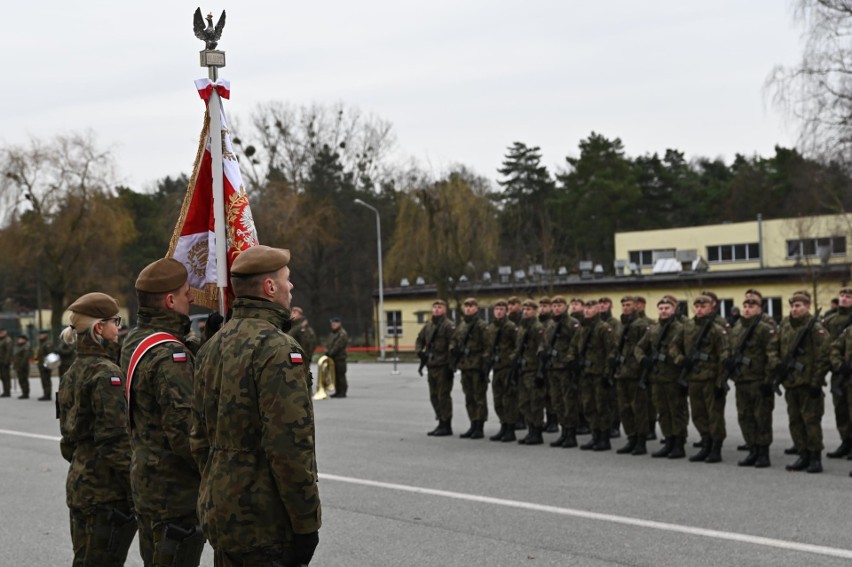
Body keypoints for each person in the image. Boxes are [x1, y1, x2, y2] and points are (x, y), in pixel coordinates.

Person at [191, 245, 321, 566]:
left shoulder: (211, 346)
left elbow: (197, 438)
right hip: (264, 520)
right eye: (286, 280)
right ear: (270, 287)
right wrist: (306, 523)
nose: (291, 287)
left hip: (221, 509)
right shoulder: (276, 348)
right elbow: (289, 447)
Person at [120, 258, 205, 566]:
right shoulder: (171, 357)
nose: (192, 298)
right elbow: (186, 437)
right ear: (170, 301)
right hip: (175, 495)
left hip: (147, 484)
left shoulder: (136, 339)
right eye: (186, 293)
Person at [57, 292, 136, 566]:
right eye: (115, 321)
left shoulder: (72, 372)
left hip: (79, 483)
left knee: (84, 559)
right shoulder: (107, 374)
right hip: (106, 491)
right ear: (99, 328)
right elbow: (114, 442)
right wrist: (134, 487)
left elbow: (67, 442)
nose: (120, 326)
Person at [771, 291, 830, 473]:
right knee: (795, 421)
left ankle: (815, 458)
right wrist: (777, 365)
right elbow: (772, 347)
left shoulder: (816, 328)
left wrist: (816, 381)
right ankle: (803, 454)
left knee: (811, 421)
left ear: (808, 307)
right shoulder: (785, 326)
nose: (794, 309)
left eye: (798, 306)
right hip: (791, 383)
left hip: (808, 384)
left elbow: (824, 357)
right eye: (793, 306)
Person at [670, 294, 730, 463]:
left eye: (704, 306)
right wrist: (681, 359)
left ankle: (716, 447)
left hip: (711, 379)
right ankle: (706, 443)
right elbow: (673, 346)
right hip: (693, 378)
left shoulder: (717, 329)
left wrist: (721, 381)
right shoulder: (686, 327)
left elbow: (724, 355)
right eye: (697, 306)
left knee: (714, 415)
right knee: (698, 414)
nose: (699, 309)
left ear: (712, 307)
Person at [635, 296, 687, 459]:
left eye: (667, 308)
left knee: (676, 411)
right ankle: (668, 440)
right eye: (661, 308)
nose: (664, 311)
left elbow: (687, 351)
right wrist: (643, 359)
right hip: (657, 378)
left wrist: (680, 362)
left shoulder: (681, 328)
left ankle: (679, 444)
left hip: (674, 377)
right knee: (663, 412)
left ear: (674, 310)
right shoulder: (654, 329)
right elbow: (639, 347)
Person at [729, 297, 776, 468]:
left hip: (759, 381)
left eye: (752, 306)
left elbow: (772, 356)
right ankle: (752, 449)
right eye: (745, 306)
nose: (747, 309)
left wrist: (768, 380)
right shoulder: (738, 328)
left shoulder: (765, 329)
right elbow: (731, 350)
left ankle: (763, 453)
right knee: (745, 417)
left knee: (761, 418)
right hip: (742, 380)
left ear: (760, 309)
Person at [569, 299, 616, 451]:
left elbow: (611, 352)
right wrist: (572, 361)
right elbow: (573, 346)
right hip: (585, 373)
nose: (587, 311)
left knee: (602, 406)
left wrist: (607, 374)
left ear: (597, 310)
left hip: (599, 373)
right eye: (586, 309)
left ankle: (604, 438)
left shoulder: (603, 328)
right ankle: (595, 436)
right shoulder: (582, 328)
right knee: (588, 405)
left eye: (590, 308)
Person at [614, 296, 652, 455]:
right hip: (622, 372)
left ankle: (641, 441)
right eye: (623, 305)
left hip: (636, 373)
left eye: (628, 305)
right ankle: (631, 437)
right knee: (624, 409)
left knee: (639, 409)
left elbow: (646, 348)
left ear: (636, 307)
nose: (625, 308)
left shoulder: (642, 325)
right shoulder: (621, 325)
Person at [543, 296, 580, 448]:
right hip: (552, 367)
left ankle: (571, 434)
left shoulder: (573, 323)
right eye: (554, 305)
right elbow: (544, 342)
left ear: (566, 306)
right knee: (557, 401)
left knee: (568, 401)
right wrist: (542, 352)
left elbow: (576, 344)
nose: (556, 308)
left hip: (566, 368)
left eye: (559, 305)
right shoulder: (550, 324)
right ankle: (563, 431)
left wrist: (567, 359)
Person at [450, 297, 489, 439]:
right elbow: (454, 340)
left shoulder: (481, 325)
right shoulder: (462, 325)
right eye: (466, 306)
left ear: (477, 308)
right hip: (465, 365)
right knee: (469, 397)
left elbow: (487, 346)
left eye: (471, 306)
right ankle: (473, 423)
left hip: (477, 366)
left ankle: (480, 426)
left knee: (479, 397)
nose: (468, 308)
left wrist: (483, 364)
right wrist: (454, 349)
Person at [416, 300, 456, 436]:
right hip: (432, 365)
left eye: (440, 307)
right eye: (434, 307)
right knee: (434, 396)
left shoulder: (448, 326)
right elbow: (420, 339)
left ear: (445, 310)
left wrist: (451, 365)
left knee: (443, 395)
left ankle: (446, 424)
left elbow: (453, 344)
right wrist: (420, 352)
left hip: (443, 365)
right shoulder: (428, 325)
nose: (437, 310)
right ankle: (440, 422)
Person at [823, 286, 852, 459]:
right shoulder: (830, 320)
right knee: (840, 408)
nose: (844, 298)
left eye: (848, 295)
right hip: (837, 370)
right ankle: (846, 441)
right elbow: (825, 345)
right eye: (842, 295)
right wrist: (835, 364)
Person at [485, 299, 519, 442]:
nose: (499, 312)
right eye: (496, 309)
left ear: (506, 311)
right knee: (498, 399)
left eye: (501, 309)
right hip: (496, 367)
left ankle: (510, 429)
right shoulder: (491, 328)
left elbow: (517, 346)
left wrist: (511, 359)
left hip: (507, 367)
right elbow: (488, 346)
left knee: (508, 399)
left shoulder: (511, 327)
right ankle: (503, 425)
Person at [515, 299, 546, 445]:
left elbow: (542, 350)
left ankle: (537, 433)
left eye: (529, 309)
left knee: (535, 403)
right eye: (524, 309)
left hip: (533, 370)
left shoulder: (537, 327)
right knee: (524, 403)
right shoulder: (522, 327)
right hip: (523, 369)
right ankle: (531, 430)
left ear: (535, 311)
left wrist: (540, 372)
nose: (526, 311)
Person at [829, 322, 852, 477]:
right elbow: (834, 349)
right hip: (847, 380)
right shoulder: (849, 331)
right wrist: (840, 365)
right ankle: (847, 443)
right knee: (844, 415)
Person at [325, 317, 349, 398]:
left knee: (340, 375)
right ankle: (337, 391)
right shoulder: (333, 333)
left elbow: (338, 346)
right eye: (332, 324)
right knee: (335, 375)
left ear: (339, 324)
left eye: (334, 324)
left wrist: (330, 353)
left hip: (340, 358)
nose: (332, 326)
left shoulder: (342, 333)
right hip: (333, 358)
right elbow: (329, 344)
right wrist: (327, 351)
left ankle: (342, 391)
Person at [36, 330, 54, 401]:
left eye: (41, 335)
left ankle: (47, 395)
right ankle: (46, 394)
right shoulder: (42, 343)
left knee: (46, 380)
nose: (39, 336)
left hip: (46, 365)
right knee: (44, 380)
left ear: (46, 335)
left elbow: (50, 355)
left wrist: (47, 365)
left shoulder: (47, 344)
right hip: (42, 365)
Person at [13, 334, 32, 399]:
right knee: (21, 380)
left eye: (21, 339)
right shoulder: (18, 346)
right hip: (18, 366)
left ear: (24, 340)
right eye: (19, 339)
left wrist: (21, 365)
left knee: (24, 380)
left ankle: (26, 393)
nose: (19, 340)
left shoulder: (26, 347)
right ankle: (24, 392)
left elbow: (25, 357)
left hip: (23, 366)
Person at [0, 329, 12, 397]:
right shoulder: (1, 340)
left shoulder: (7, 340)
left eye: (1, 332)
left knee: (6, 377)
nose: (0, 334)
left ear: (5, 333)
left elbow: (8, 351)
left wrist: (6, 361)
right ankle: (5, 391)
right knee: (3, 377)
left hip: (5, 361)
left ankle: (7, 391)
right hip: (1, 361)